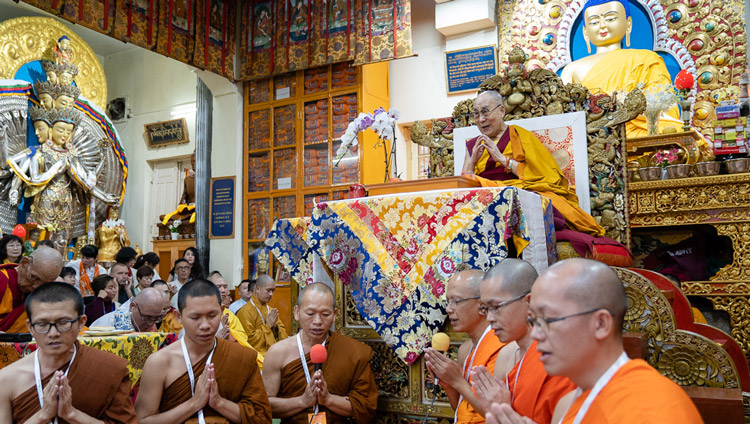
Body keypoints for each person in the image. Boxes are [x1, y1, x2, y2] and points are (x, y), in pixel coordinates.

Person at [484, 258, 703, 424]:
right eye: (533, 320)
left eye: (548, 319)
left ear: (600, 324)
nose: (537, 333)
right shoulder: (573, 402)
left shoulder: (651, 409)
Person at [461, 90, 603, 236]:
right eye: (476, 114)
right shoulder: (474, 145)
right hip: (484, 199)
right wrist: (472, 162)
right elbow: (462, 184)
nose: (481, 119)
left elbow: (547, 176)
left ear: (501, 111)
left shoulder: (520, 136)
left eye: (485, 112)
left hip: (517, 195)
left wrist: (504, 160)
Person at [135, 279, 272, 423]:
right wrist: (194, 403)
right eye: (195, 317)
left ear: (222, 311)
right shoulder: (159, 362)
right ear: (178, 317)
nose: (205, 325)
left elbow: (261, 418)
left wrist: (219, 403)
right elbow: (143, 421)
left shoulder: (242, 357)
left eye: (212, 316)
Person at [0, 282, 136, 422]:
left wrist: (72, 414)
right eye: (42, 324)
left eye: (63, 322)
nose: (53, 333)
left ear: (81, 322)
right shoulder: (6, 380)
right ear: (30, 327)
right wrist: (43, 415)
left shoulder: (110, 369)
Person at [471, 259, 576, 424]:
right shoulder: (506, 355)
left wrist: (505, 410)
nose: (490, 318)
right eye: (485, 309)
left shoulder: (559, 360)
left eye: (496, 307)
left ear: (529, 302)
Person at [559, 0, 681, 137]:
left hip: (639, 135)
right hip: (595, 139)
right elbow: (564, 118)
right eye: (594, 22)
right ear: (585, 31)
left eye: (610, 18)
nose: (602, 26)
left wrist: (626, 111)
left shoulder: (646, 59)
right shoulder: (573, 69)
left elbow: (665, 111)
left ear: (628, 24)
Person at [263, 282, 377, 423]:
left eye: (325, 314)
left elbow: (365, 406)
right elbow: (264, 405)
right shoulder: (278, 352)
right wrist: (302, 401)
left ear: (335, 315)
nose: (317, 321)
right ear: (296, 312)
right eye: (310, 313)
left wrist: (328, 399)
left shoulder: (354, 352)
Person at [424, 269, 504, 421]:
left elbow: (498, 416)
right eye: (448, 302)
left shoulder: (503, 347)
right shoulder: (465, 350)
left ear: (481, 305)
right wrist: (448, 384)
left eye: (456, 301)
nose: (448, 309)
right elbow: (462, 411)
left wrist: (457, 381)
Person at [0, 246, 63, 332]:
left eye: (44, 284)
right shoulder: (2, 279)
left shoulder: (43, 293)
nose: (35, 287)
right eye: (34, 278)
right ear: (24, 263)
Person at [236, 274, 289, 356]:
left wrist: (275, 327)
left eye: (273, 290)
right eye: (268, 290)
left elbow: (283, 336)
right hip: (256, 357)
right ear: (257, 289)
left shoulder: (271, 311)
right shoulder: (245, 312)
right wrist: (268, 326)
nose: (271, 294)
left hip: (274, 354)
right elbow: (248, 341)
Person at [90, 287, 165, 332]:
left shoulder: (151, 324)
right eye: (147, 318)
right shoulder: (109, 325)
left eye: (156, 318)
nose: (151, 324)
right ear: (132, 307)